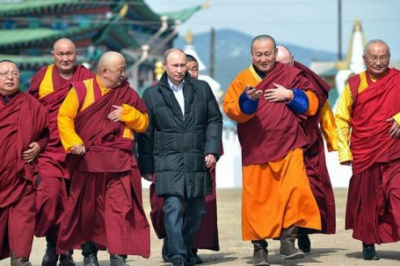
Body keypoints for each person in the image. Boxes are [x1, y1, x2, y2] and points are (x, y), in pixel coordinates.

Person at [223, 35, 321, 266]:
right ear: (252, 55)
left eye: (268, 53)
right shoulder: (243, 79)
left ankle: (288, 241)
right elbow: (231, 109)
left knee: (295, 192)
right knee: (257, 201)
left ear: (275, 53)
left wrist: (290, 95)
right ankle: (259, 248)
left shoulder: (291, 76)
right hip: (257, 149)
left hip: (289, 145)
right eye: (259, 54)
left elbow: (312, 103)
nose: (264, 58)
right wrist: (248, 100)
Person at [56, 51, 150, 266]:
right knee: (88, 211)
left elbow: (144, 123)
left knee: (119, 209)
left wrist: (127, 113)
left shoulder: (127, 93)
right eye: (121, 70)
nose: (124, 74)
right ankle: (90, 254)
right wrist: (73, 142)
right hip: (87, 160)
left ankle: (118, 255)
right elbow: (64, 117)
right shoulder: (82, 90)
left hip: (118, 162)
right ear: (105, 71)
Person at [137, 48, 223, 266]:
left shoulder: (201, 89)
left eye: (183, 65)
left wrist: (212, 150)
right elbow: (145, 133)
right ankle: (177, 255)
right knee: (173, 207)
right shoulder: (151, 94)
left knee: (198, 210)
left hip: (196, 156)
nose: (179, 70)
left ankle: (182, 244)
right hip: (168, 159)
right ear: (165, 66)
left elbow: (214, 119)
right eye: (174, 65)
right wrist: (146, 165)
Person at [28, 38, 94, 266]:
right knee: (51, 197)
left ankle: (64, 252)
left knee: (73, 203)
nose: (65, 58)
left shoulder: (87, 78)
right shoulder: (42, 77)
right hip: (49, 150)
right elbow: (31, 114)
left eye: (69, 53)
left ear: (76, 54)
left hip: (78, 150)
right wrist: (35, 142)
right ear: (52, 54)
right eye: (60, 54)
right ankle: (51, 244)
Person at [335, 39, 400, 260]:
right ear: (364, 59)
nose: (379, 62)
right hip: (365, 152)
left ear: (389, 58)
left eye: (383, 57)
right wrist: (344, 151)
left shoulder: (398, 80)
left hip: (395, 152)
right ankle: (368, 244)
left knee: (397, 196)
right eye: (374, 57)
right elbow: (341, 119)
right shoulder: (353, 85)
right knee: (368, 201)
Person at [276, 45, 337, 252]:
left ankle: (302, 232)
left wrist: (334, 141)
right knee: (287, 194)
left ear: (293, 58)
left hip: (308, 145)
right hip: (282, 146)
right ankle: (290, 236)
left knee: (313, 191)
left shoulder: (307, 79)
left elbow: (323, 110)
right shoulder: (269, 81)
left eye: (287, 63)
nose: (284, 68)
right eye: (279, 65)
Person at [0, 60, 49, 266]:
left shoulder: (32, 105)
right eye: (4, 73)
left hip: (22, 177)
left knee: (22, 225)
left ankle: (20, 259)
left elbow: (46, 134)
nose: (10, 77)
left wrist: (39, 145)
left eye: (14, 73)